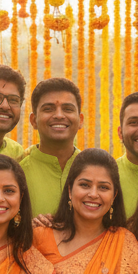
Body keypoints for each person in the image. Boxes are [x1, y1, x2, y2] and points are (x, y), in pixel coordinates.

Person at [21, 77, 82, 212]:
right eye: (48, 109)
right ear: (34, 120)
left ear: (80, 120)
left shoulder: (94, 169)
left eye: (68, 109)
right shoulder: (18, 172)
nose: (59, 115)